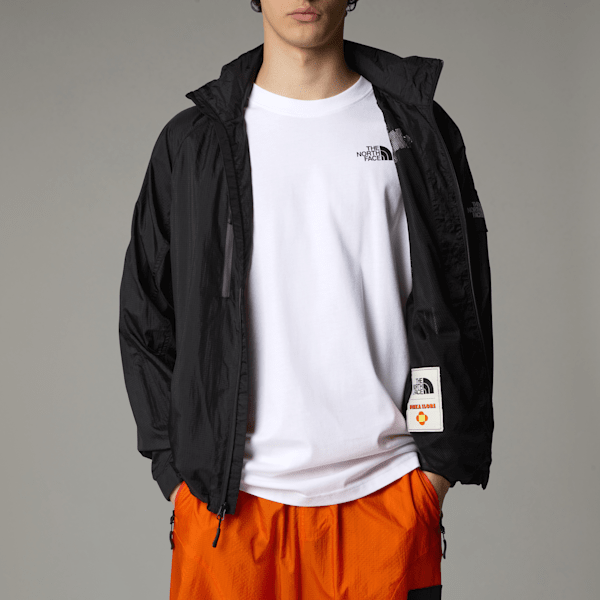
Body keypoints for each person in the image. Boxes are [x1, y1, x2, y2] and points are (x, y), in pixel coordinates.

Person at [118, 1, 494, 598]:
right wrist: (177, 474)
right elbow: (146, 314)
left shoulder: (419, 130)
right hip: (230, 511)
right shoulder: (193, 143)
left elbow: (459, 300)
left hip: (388, 498)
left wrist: (437, 470)